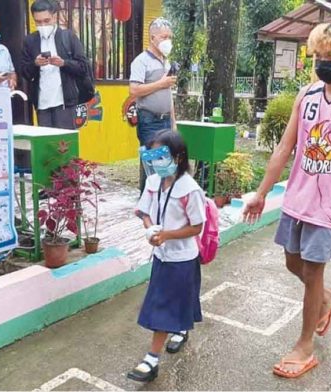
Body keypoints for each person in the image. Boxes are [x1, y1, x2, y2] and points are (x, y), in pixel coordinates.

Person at [242, 20, 331, 378]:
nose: (322, 63)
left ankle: (304, 345)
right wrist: (261, 192)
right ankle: (324, 298)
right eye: (318, 56)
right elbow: (284, 147)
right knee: (295, 264)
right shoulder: (306, 95)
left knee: (314, 269)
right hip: (298, 195)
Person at [128, 130, 206, 383]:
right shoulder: (153, 182)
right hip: (161, 255)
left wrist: (167, 235)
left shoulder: (189, 190)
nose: (157, 162)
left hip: (182, 258)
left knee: (161, 304)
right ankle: (182, 329)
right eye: (153, 156)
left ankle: (151, 359)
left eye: (162, 156)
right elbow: (144, 211)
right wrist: (150, 228)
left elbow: (197, 227)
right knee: (180, 297)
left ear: (179, 157)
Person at [20, 0, 89, 129]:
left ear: (55, 16)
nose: (42, 25)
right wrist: (35, 64)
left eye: (46, 21)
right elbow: (24, 72)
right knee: (46, 145)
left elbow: (83, 67)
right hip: (42, 104)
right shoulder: (30, 41)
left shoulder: (68, 37)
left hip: (65, 103)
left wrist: (64, 63)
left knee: (64, 145)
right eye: (38, 22)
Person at [129, 17, 178, 193]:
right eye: (164, 37)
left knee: (165, 167)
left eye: (170, 37)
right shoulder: (141, 61)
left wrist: (173, 121)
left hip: (165, 121)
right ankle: (147, 206)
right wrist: (161, 83)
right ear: (152, 38)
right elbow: (134, 90)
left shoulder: (166, 61)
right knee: (153, 168)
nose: (168, 41)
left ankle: (158, 205)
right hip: (149, 121)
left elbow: (168, 93)